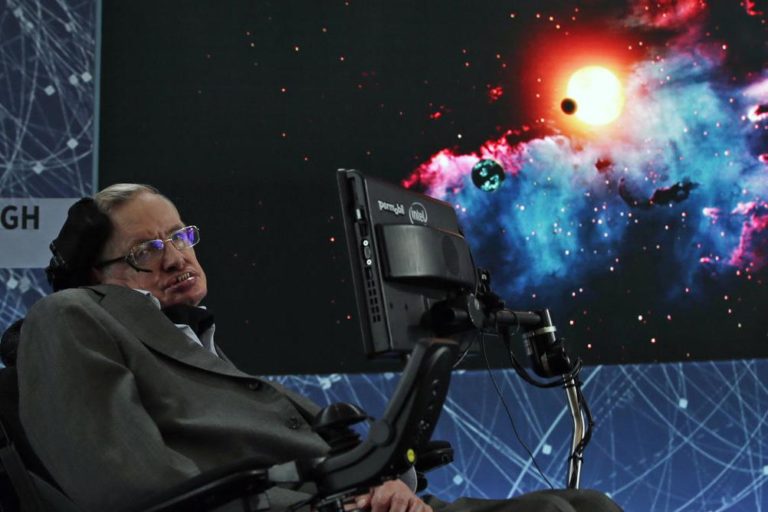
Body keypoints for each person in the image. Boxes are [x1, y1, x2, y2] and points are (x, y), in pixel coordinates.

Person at [15, 184, 622, 512]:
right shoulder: (69, 316)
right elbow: (127, 488)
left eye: (180, 236)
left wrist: (388, 484)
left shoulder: (196, 345)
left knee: (587, 507)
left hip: (353, 499)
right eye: (147, 250)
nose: (176, 257)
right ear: (94, 275)